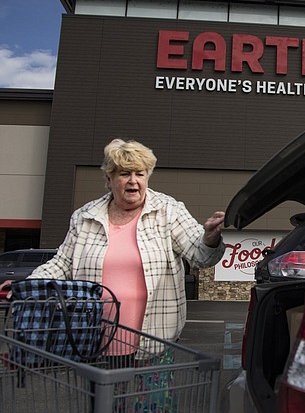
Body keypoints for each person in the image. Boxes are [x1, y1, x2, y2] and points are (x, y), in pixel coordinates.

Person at [22, 137, 226, 356]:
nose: (133, 181)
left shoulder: (168, 211)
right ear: (109, 180)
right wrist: (27, 286)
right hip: (91, 343)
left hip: (154, 344)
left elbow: (200, 255)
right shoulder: (85, 217)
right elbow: (62, 263)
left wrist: (209, 238)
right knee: (99, 392)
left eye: (140, 174)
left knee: (145, 392)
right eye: (124, 174)